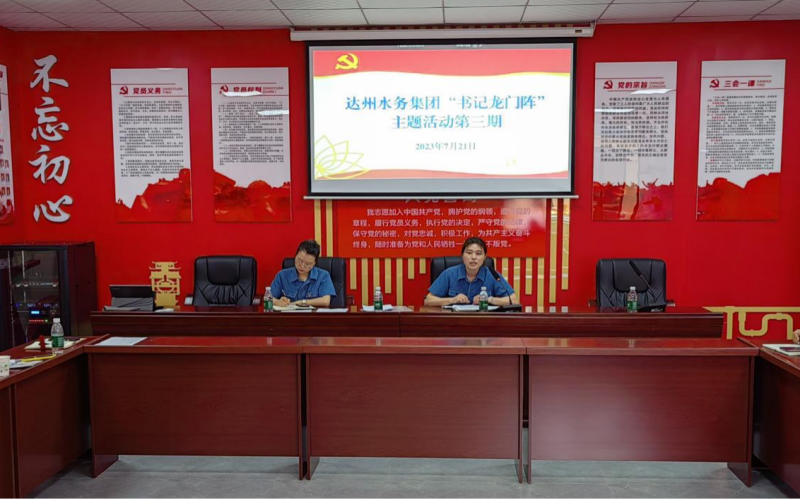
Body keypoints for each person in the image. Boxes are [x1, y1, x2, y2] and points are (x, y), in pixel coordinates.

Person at [425, 237, 519, 307]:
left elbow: (514, 300)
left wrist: (489, 299)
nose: (473, 257)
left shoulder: (492, 275)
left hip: (485, 322)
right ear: (462, 255)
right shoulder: (449, 274)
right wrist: (452, 300)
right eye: (469, 253)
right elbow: (428, 300)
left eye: (478, 253)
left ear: (485, 257)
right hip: (454, 322)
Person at [270, 240, 335, 308]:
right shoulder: (282, 275)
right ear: (295, 256)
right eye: (300, 260)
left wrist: (302, 302)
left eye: (308, 264)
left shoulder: (323, 276)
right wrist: (278, 302)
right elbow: (269, 298)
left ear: (314, 263)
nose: (302, 266)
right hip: (289, 314)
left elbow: (325, 301)